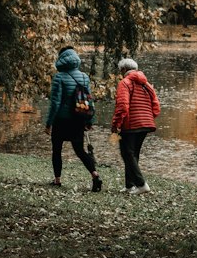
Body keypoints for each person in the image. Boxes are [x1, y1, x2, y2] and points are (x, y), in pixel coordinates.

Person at [45, 46, 102, 191]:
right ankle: (95, 175)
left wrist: (49, 123)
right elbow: (89, 101)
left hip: (61, 120)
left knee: (57, 150)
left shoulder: (59, 77)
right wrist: (90, 120)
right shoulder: (84, 77)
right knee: (80, 150)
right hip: (78, 119)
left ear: (61, 59)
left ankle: (57, 180)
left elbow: (55, 103)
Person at [111, 56, 160, 193]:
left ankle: (141, 184)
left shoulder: (124, 83)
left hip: (130, 125)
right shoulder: (147, 84)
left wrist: (116, 124)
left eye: (121, 71)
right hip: (145, 124)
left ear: (124, 69)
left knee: (127, 153)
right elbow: (156, 106)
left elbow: (122, 106)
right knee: (133, 154)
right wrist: (148, 118)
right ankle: (129, 185)